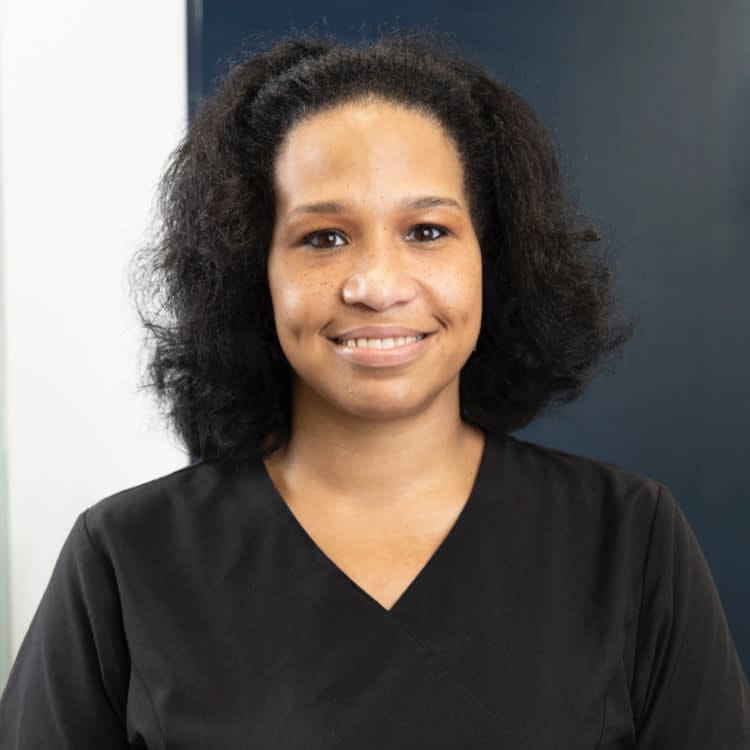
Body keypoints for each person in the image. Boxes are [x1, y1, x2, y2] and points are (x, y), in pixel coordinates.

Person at [1, 30, 748, 749]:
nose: (377, 285)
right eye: (323, 237)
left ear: (497, 256)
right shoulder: (127, 558)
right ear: (250, 270)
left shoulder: (629, 540)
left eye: (426, 231)